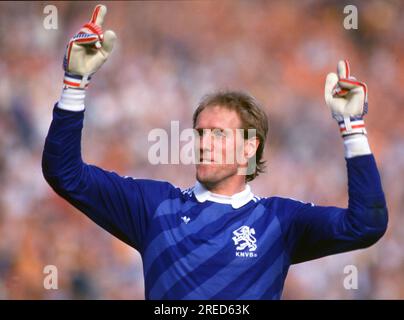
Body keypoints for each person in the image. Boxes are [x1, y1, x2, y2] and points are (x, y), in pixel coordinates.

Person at [42, 5, 388, 300]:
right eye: (201, 134)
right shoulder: (154, 207)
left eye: (219, 134)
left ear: (249, 147)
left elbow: (366, 225)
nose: (204, 144)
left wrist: (352, 128)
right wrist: (74, 83)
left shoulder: (280, 222)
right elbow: (65, 173)